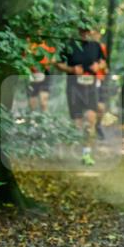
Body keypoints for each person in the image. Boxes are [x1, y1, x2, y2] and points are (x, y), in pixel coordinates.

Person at [55, 26, 106, 166]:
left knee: (90, 120)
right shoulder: (69, 45)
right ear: (78, 31)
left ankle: (86, 154)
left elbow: (103, 61)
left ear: (90, 32)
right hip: (73, 88)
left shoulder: (95, 46)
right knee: (77, 124)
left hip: (90, 88)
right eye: (82, 30)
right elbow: (58, 63)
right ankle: (69, 149)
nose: (85, 33)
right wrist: (71, 69)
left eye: (87, 30)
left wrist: (98, 66)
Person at [25, 38, 56, 112]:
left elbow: (53, 59)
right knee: (32, 102)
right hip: (32, 73)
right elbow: (24, 57)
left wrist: (45, 63)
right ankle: (33, 120)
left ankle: (44, 119)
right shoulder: (28, 41)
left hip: (44, 72)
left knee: (43, 101)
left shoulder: (47, 41)